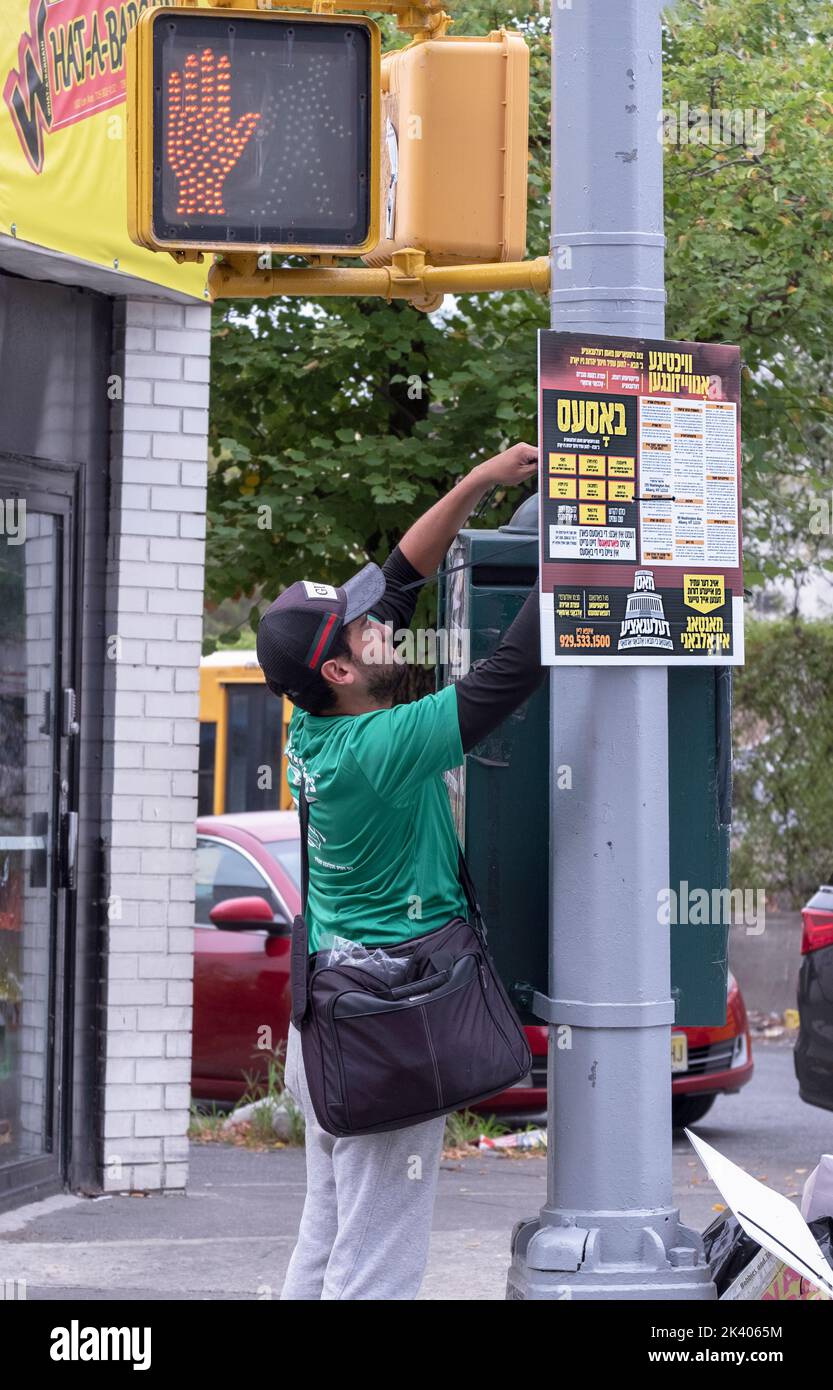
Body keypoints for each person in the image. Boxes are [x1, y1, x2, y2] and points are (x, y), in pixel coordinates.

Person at [256, 442, 547, 1300]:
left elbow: (397, 577)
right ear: (341, 669)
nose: (386, 618)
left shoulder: (316, 722)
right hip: (385, 1023)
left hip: (330, 1025)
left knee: (328, 1234)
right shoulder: (375, 747)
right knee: (375, 1258)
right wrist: (588, 554)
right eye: (364, 626)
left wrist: (479, 481)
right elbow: (509, 675)